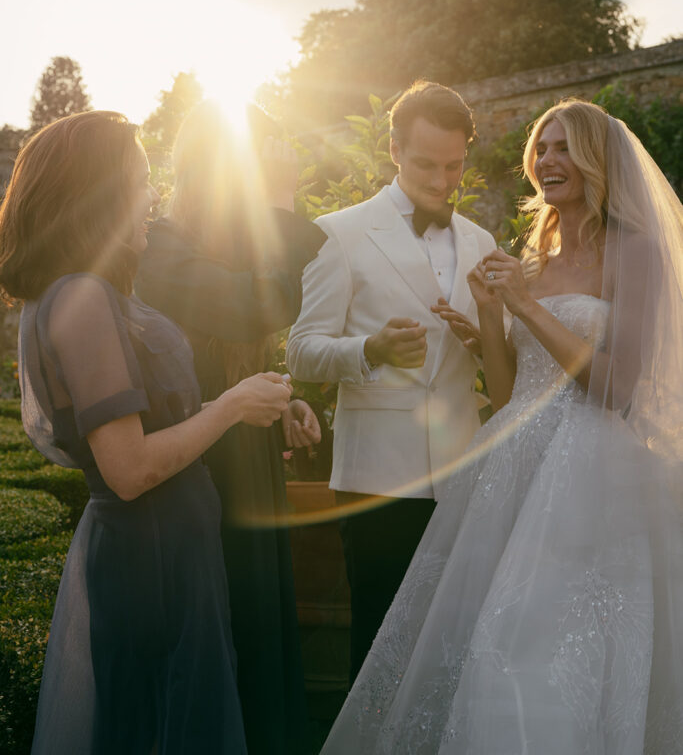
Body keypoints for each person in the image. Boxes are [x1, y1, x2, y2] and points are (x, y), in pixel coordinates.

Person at [320, 99, 683, 754]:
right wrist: (490, 318)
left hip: (590, 478)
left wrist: (523, 307)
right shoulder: (533, 261)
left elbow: (615, 387)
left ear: (599, 161)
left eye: (565, 147)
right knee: (490, 644)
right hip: (510, 469)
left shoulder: (636, 254)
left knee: (553, 646)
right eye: (541, 148)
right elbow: (513, 389)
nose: (547, 160)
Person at [0, 111, 293, 755]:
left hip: (173, 549)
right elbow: (128, 470)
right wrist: (231, 407)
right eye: (139, 179)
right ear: (100, 192)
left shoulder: (93, 292)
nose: (151, 195)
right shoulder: (80, 297)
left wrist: (248, 396)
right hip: (151, 556)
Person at [286, 80, 496, 682]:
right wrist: (370, 349)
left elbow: (496, 360)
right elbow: (301, 352)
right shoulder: (338, 232)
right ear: (395, 150)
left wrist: (483, 343)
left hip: (463, 471)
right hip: (377, 477)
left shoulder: (480, 241)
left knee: (457, 643)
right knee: (381, 649)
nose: (441, 179)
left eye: (454, 166)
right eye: (427, 163)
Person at [135, 101, 326, 755]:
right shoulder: (160, 245)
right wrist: (279, 197)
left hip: (249, 459)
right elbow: (248, 307)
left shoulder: (216, 246)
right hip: (198, 470)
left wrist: (285, 402)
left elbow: (241, 347)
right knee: (221, 629)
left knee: (260, 624)